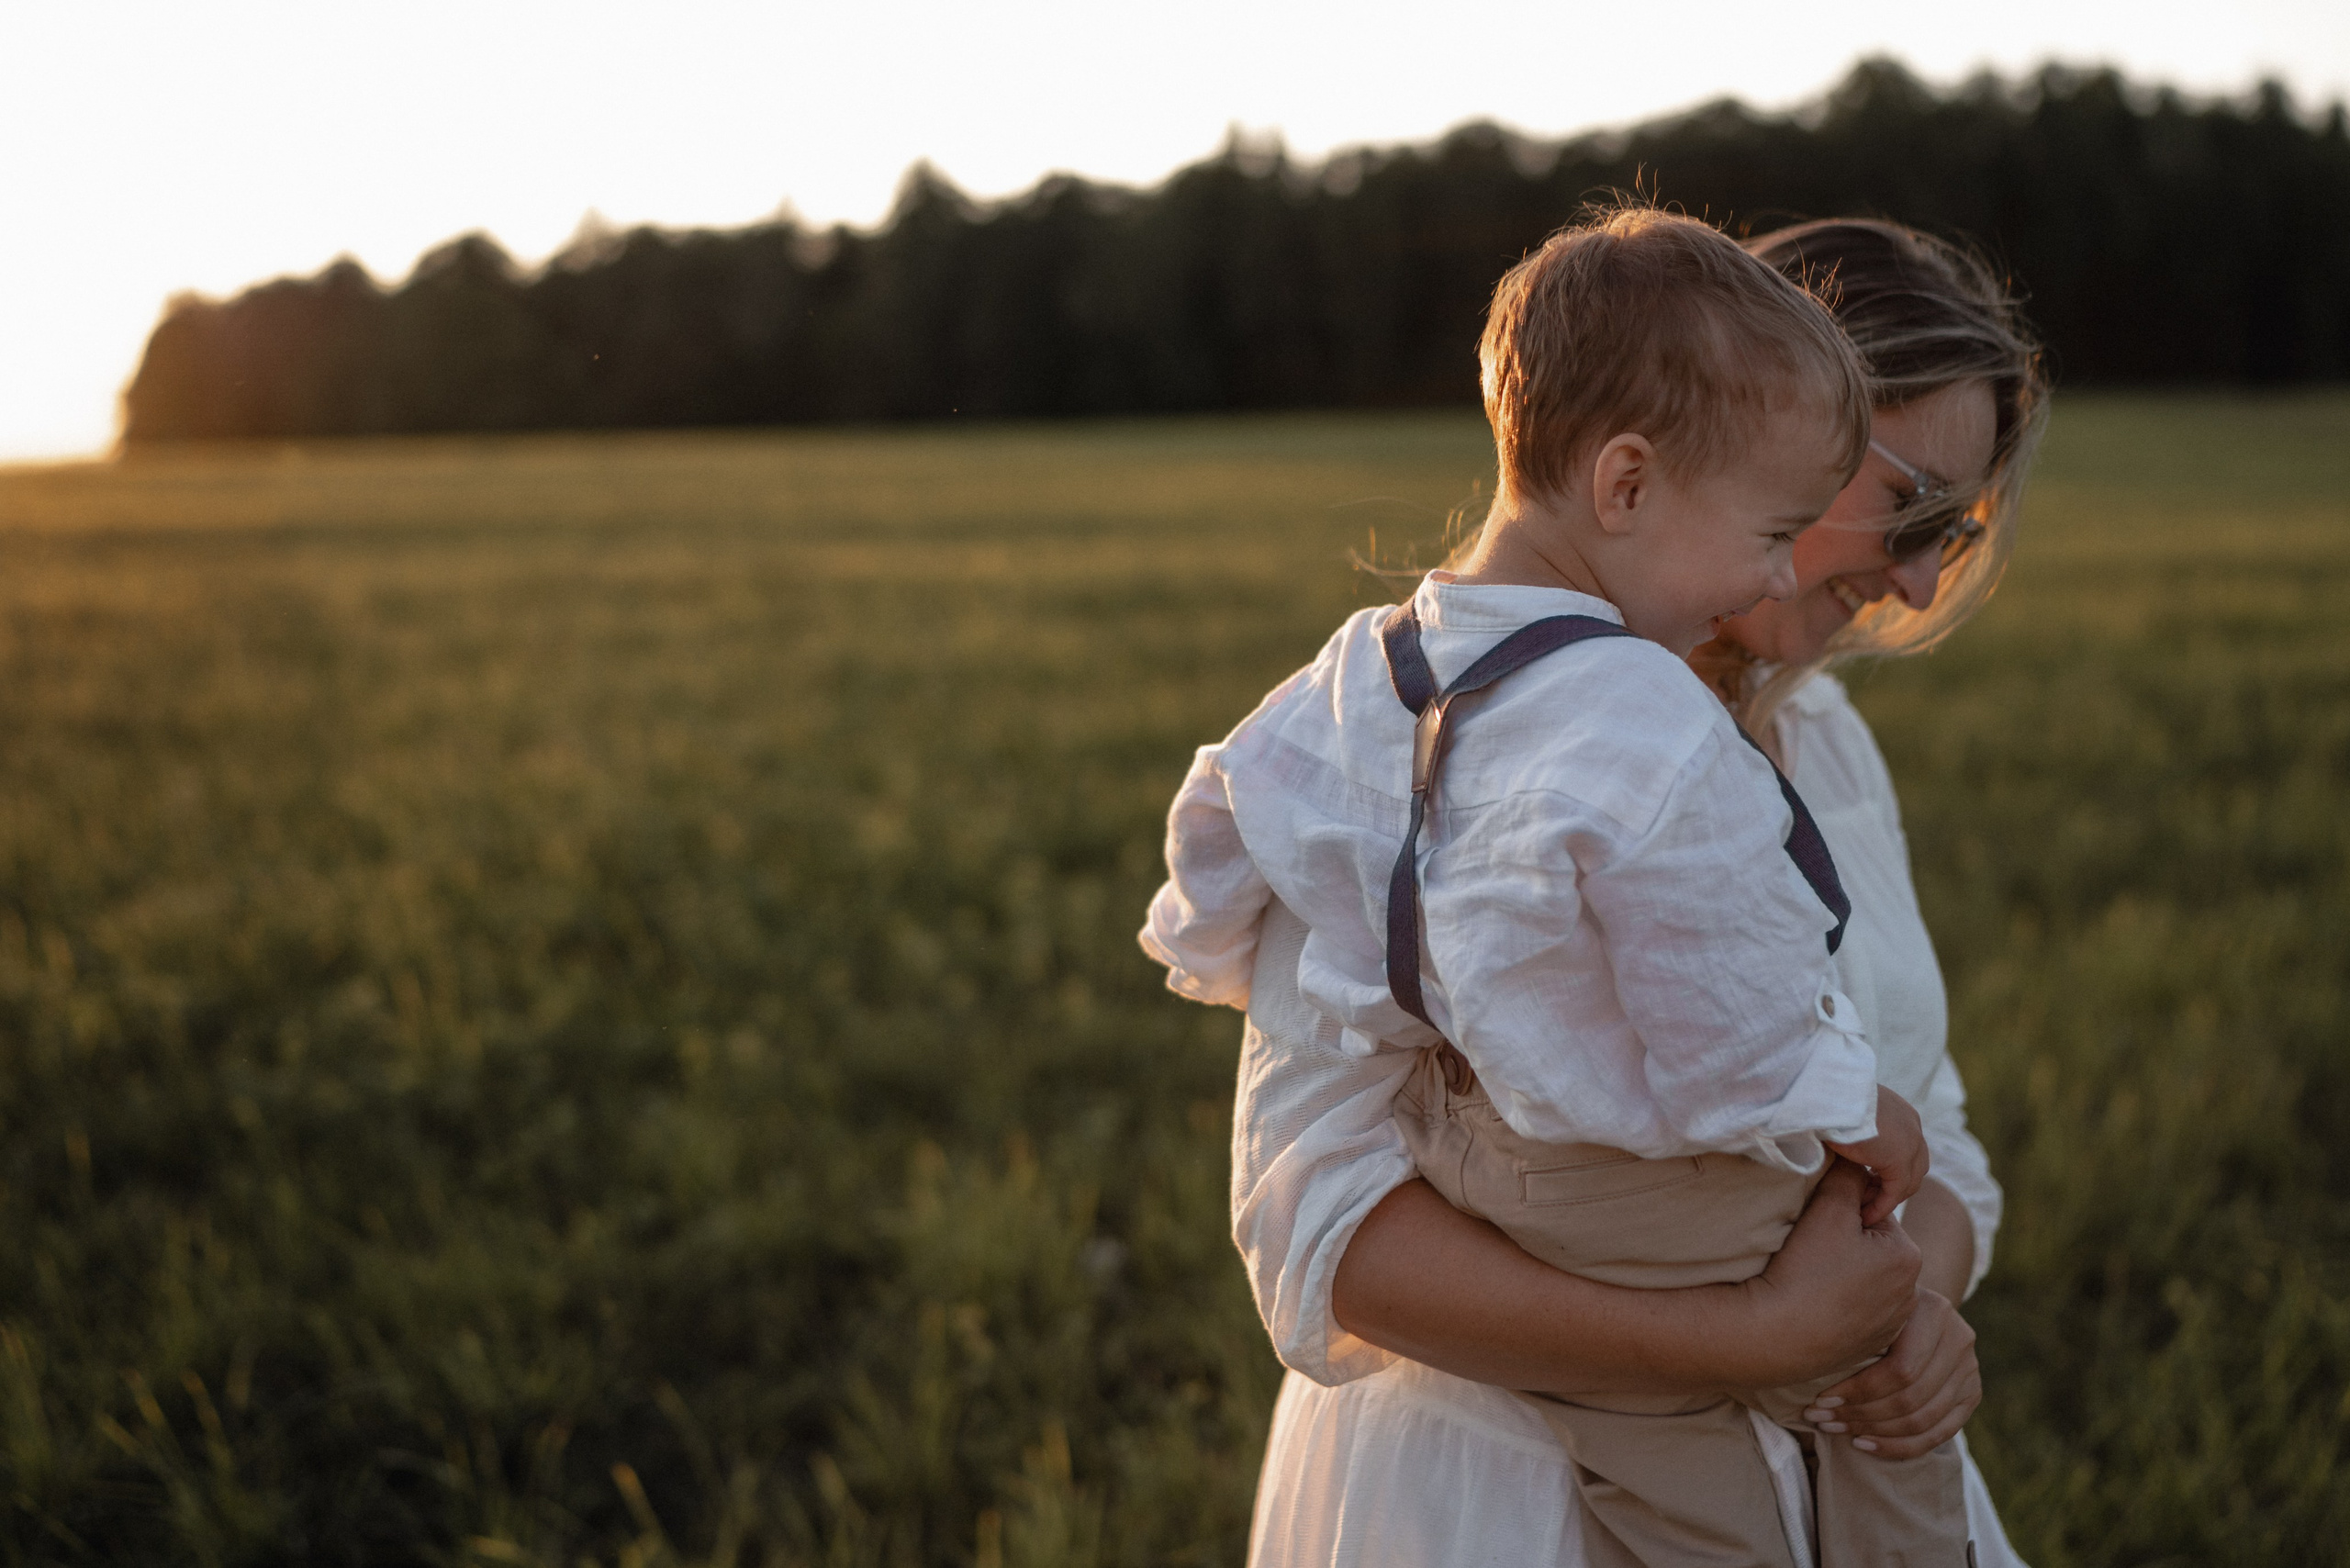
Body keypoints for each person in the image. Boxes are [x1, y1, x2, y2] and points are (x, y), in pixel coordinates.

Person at [1142, 207, 1977, 1564]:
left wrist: (1902, 1310)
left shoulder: (1371, 686)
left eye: (1972, 520)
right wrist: (1768, 1308)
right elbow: (1317, 1208)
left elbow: (1224, 814)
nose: (1926, 575)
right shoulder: (1638, 726)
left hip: (1817, 1355)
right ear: (1637, 480)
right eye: (1904, 503)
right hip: (1479, 1487)